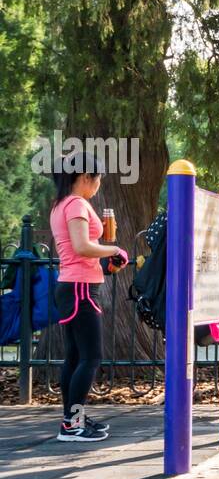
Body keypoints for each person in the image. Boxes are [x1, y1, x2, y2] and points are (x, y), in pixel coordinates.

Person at [49, 158, 128, 443]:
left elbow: (77, 249)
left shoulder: (61, 205)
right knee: (90, 356)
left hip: (73, 284)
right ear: (84, 176)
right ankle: (72, 424)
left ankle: (73, 418)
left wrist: (107, 262)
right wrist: (114, 249)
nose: (98, 185)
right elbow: (82, 246)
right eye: (98, 179)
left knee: (74, 356)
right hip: (81, 288)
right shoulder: (77, 204)